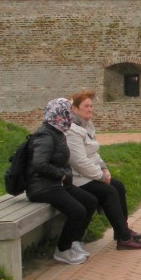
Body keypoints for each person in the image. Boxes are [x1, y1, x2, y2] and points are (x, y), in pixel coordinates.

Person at [66, 90, 141, 251]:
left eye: (91, 105)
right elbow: (79, 161)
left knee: (118, 186)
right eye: (86, 106)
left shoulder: (87, 125)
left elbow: (94, 153)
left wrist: (104, 168)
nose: (90, 109)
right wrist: (100, 176)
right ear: (75, 109)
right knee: (109, 191)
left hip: (87, 174)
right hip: (77, 178)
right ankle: (124, 239)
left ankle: (122, 231)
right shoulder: (71, 130)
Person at [25, 98, 98, 265]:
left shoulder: (57, 131)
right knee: (77, 210)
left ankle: (74, 242)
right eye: (68, 111)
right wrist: (61, 175)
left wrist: (63, 175)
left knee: (90, 201)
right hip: (42, 187)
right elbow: (39, 163)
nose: (70, 115)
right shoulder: (45, 134)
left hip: (56, 183)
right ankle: (63, 250)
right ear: (59, 113)